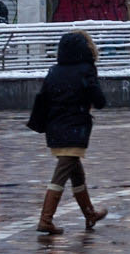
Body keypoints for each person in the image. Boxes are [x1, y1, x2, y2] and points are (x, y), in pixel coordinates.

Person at [27, 30, 109, 235]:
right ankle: (45, 220)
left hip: (55, 129)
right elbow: (98, 100)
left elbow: (43, 99)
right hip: (75, 129)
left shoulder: (54, 71)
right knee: (62, 173)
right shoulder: (86, 70)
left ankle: (89, 214)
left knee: (76, 173)